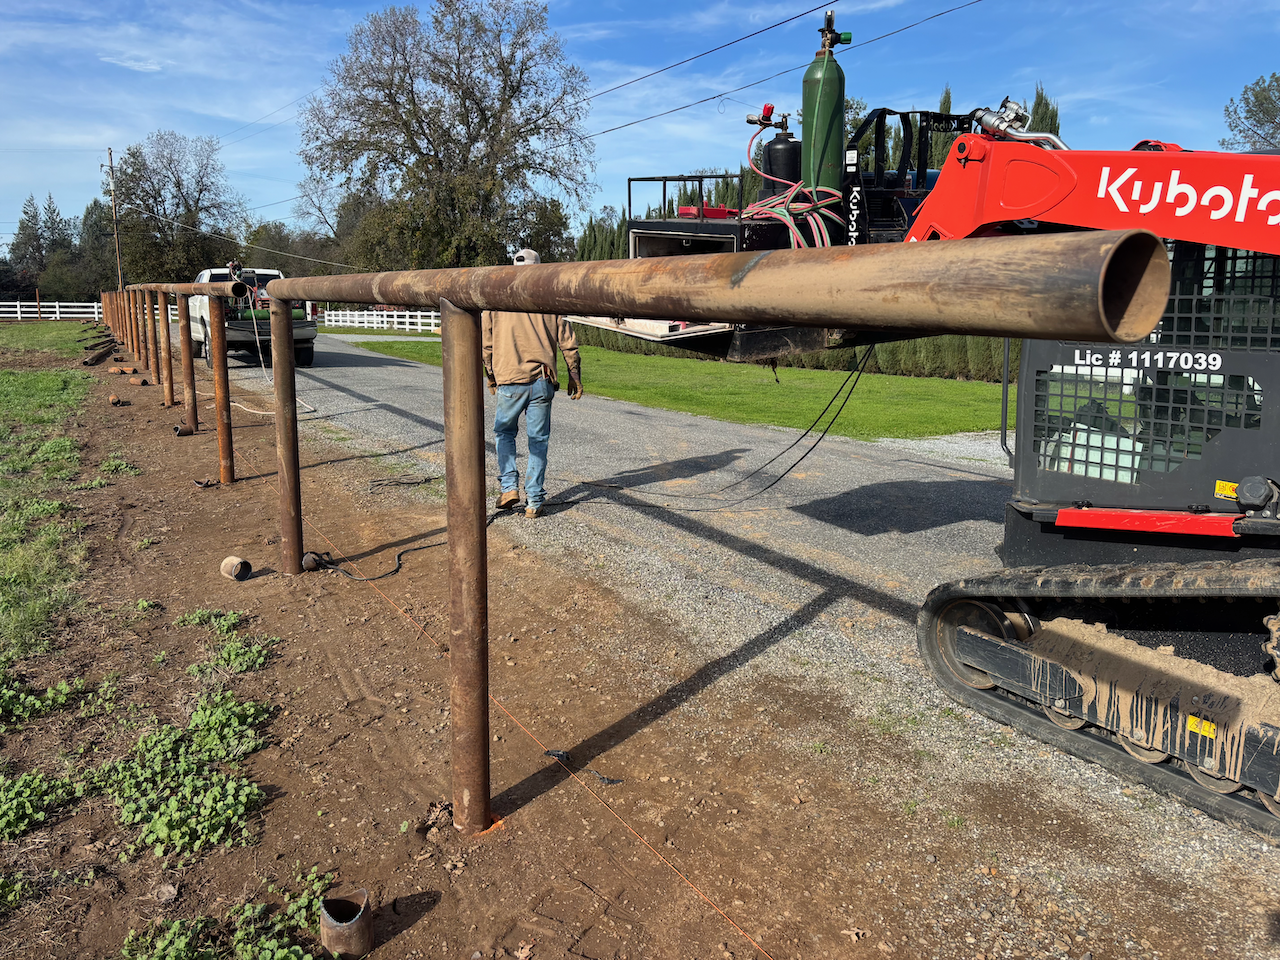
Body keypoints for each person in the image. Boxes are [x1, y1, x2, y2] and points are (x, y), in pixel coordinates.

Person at [482, 248, 583, 519]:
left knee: (504, 434)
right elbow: (567, 340)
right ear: (539, 268)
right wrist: (575, 376)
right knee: (538, 441)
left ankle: (509, 487)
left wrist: (491, 375)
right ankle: (534, 501)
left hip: (510, 379)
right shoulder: (549, 298)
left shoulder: (496, 298)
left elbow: (487, 343)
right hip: (542, 379)